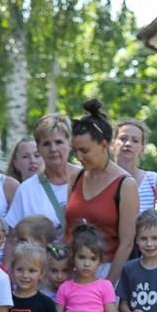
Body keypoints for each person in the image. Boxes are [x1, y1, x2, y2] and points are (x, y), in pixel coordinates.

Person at [66, 100, 139, 279]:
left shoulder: (125, 185)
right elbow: (67, 230)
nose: (79, 157)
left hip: (106, 271)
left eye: (84, 151)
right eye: (75, 151)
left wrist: (108, 287)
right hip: (73, 271)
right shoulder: (76, 177)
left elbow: (127, 243)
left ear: (104, 145)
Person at [4, 113, 75, 235]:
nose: (53, 149)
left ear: (70, 143)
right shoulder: (26, 190)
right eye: (46, 144)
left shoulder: (87, 179)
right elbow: (12, 239)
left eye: (58, 142)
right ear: (39, 148)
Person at [114, 119, 157, 212]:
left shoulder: (153, 180)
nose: (128, 144)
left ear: (142, 149)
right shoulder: (101, 179)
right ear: (112, 144)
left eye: (135, 141)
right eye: (123, 139)